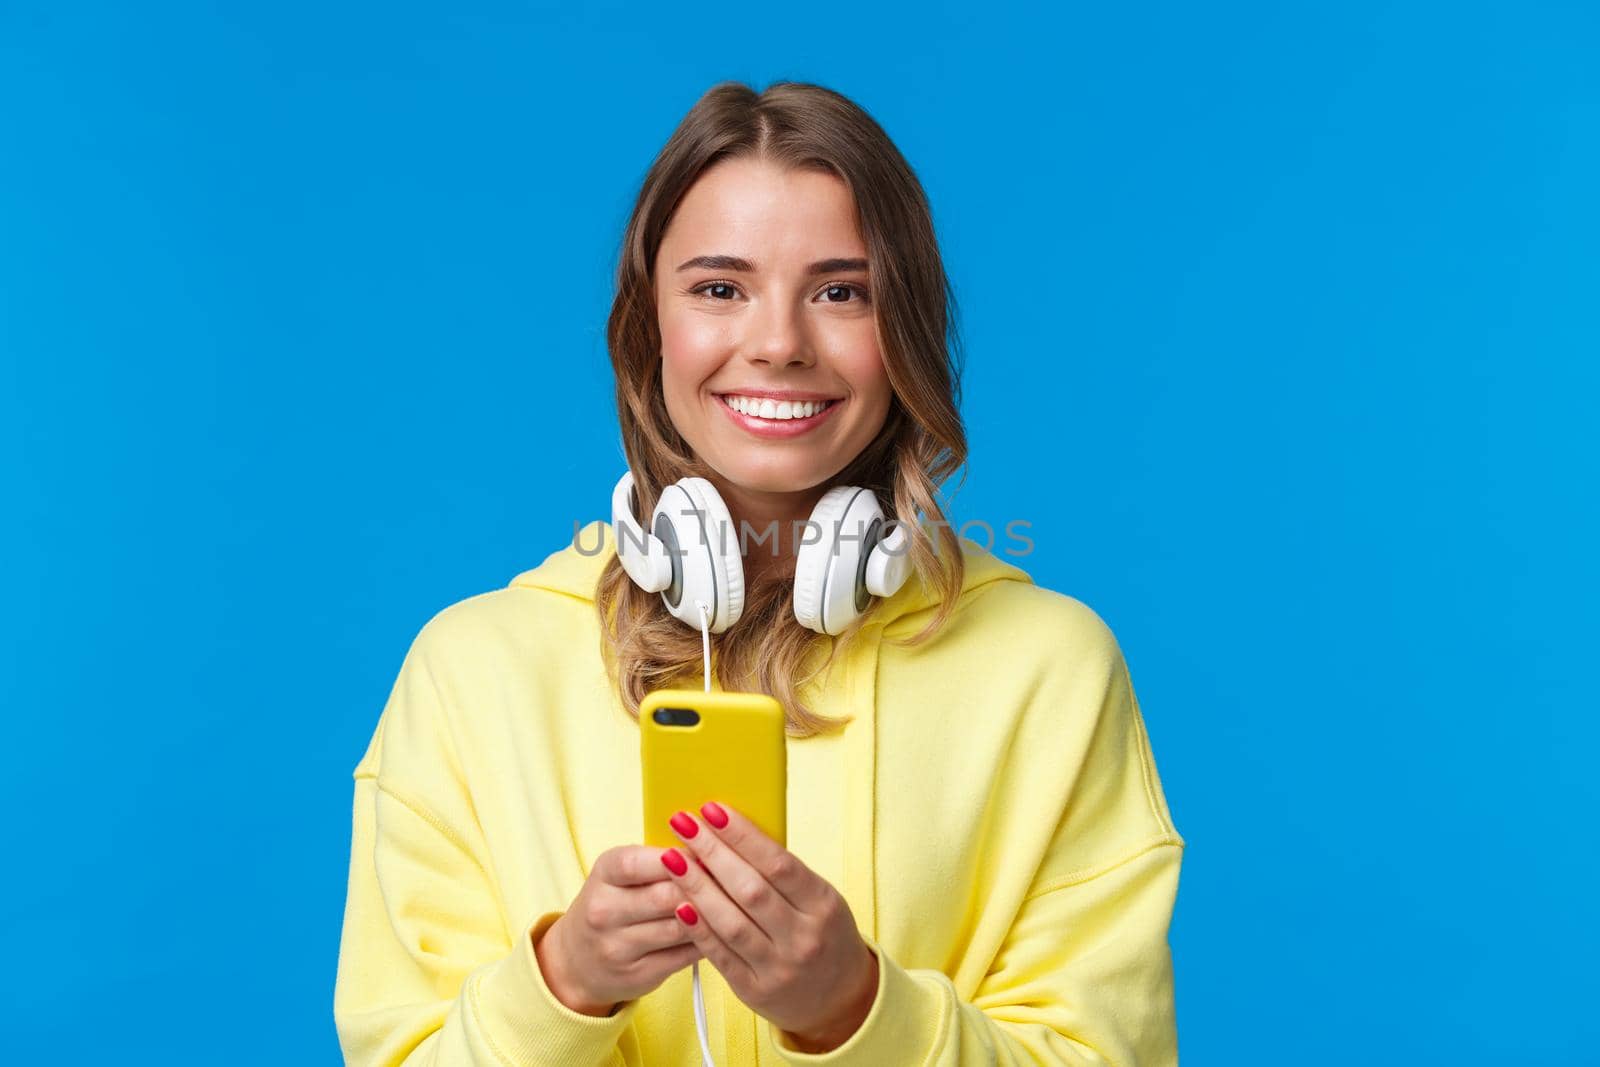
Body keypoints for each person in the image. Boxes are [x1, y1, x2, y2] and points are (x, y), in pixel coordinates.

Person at [333, 79, 1186, 1066]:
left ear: (902, 327)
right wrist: (562, 980)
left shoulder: (1051, 668)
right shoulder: (472, 670)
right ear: (647, 327)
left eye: (840, 291)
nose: (778, 343)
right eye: (718, 287)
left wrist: (855, 1009)